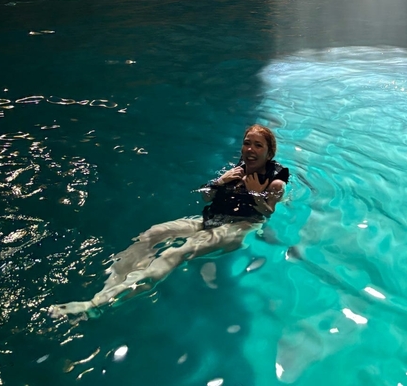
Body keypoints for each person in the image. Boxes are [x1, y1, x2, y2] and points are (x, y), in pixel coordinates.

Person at [49, 124, 288, 318]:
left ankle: (97, 305)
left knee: (175, 253)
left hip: (240, 227)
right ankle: (109, 287)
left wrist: (256, 195)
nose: (250, 149)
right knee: (152, 234)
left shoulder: (275, 183)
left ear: (269, 153)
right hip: (211, 220)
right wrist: (219, 181)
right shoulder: (235, 171)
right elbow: (205, 197)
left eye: (258, 145)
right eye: (247, 143)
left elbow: (267, 213)